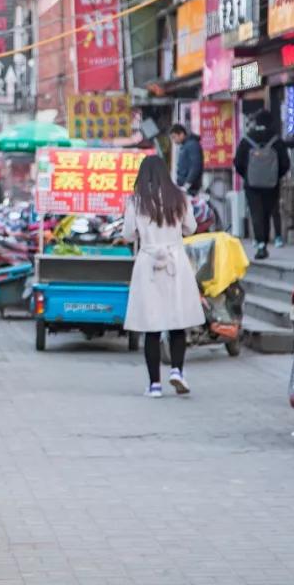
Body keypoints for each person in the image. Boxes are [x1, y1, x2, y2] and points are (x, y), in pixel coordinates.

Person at [122, 155, 205, 398]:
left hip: (148, 263)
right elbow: (190, 228)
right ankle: (177, 370)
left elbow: (128, 235)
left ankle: (154, 385)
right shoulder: (179, 197)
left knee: (152, 325)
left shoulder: (136, 201)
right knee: (177, 321)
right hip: (175, 262)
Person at [234, 110, 290, 260]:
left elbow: (238, 162)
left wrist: (247, 176)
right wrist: (275, 176)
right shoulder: (276, 140)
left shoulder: (247, 139)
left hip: (251, 185)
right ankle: (264, 241)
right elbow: (286, 163)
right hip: (271, 185)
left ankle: (260, 244)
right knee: (267, 212)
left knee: (255, 213)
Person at [170, 123, 204, 195]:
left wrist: (187, 185)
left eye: (174, 137)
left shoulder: (192, 145)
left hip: (191, 189)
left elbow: (195, 166)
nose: (174, 140)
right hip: (185, 188)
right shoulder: (185, 146)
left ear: (181, 134)